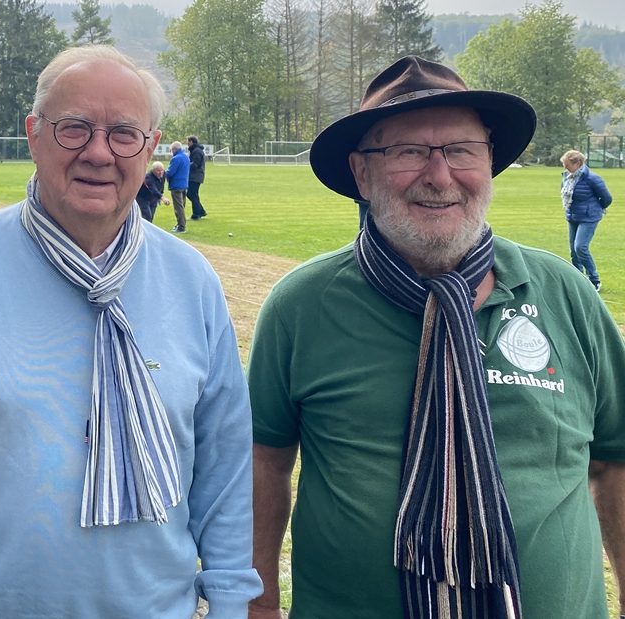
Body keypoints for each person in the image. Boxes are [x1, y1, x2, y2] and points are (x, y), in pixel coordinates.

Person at [0, 44, 262, 619]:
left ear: (151, 146)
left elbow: (224, 467)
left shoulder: (192, 281)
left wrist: (232, 602)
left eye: (123, 133)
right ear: (33, 134)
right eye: (74, 128)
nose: (99, 152)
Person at [248, 56, 625, 619]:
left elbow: (614, 460)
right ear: (361, 173)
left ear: (489, 160)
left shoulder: (565, 294)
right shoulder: (301, 305)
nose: (440, 175)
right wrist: (258, 606)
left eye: (460, 150)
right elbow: (264, 460)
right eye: (408, 152)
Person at [561, 149, 613, 292]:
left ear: (578, 163)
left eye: (567, 164)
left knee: (580, 247)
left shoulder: (592, 179)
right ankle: (578, 278)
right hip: (573, 216)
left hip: (589, 217)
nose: (565, 168)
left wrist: (596, 208)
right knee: (573, 250)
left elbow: (607, 198)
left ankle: (594, 279)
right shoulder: (567, 176)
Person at [166, 140, 189, 233]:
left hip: (176, 185)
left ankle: (181, 227)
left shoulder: (176, 158)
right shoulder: (186, 157)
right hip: (184, 184)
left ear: (174, 149)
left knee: (178, 207)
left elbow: (170, 172)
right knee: (182, 206)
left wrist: (161, 173)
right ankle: (180, 224)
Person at [187, 135, 207, 220]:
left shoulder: (196, 151)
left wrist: (186, 164)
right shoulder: (196, 150)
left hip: (195, 176)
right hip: (195, 176)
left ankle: (196, 214)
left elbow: (195, 164)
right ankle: (201, 211)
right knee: (190, 194)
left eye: (188, 141)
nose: (187, 144)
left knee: (193, 194)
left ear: (191, 141)